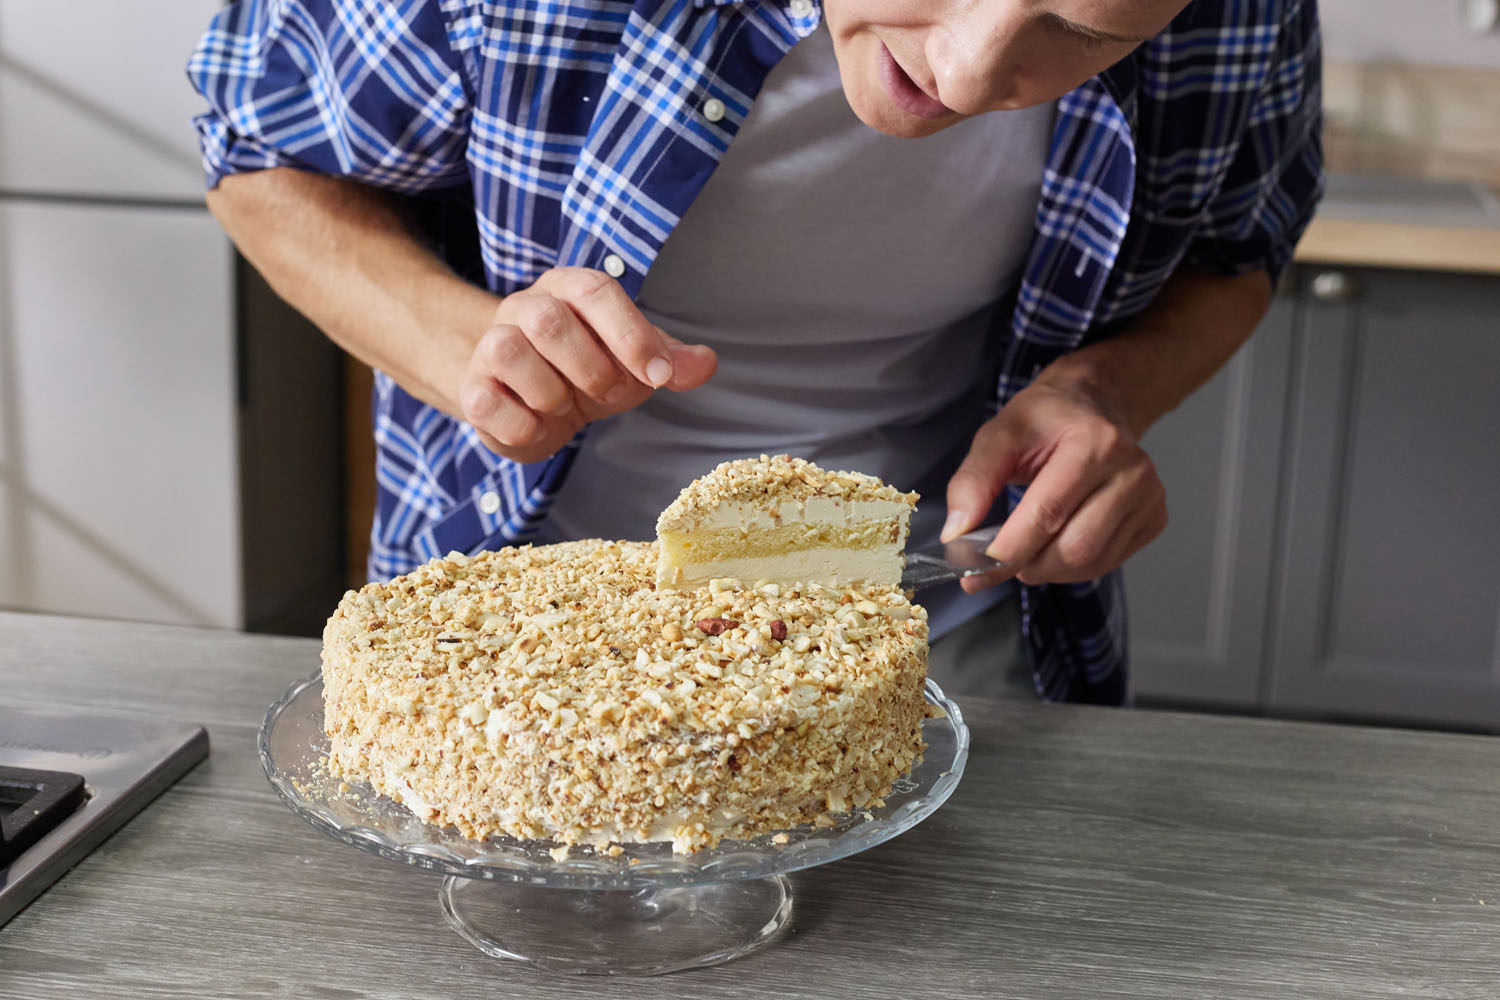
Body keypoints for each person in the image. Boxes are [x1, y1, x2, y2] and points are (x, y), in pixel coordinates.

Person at [187, 0, 1323, 704]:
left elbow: (1238, 246)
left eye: (1077, 34)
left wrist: (1102, 390)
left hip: (949, 622)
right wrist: (468, 346)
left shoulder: (1242, 11)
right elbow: (257, 157)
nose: (969, 77)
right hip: (523, 631)